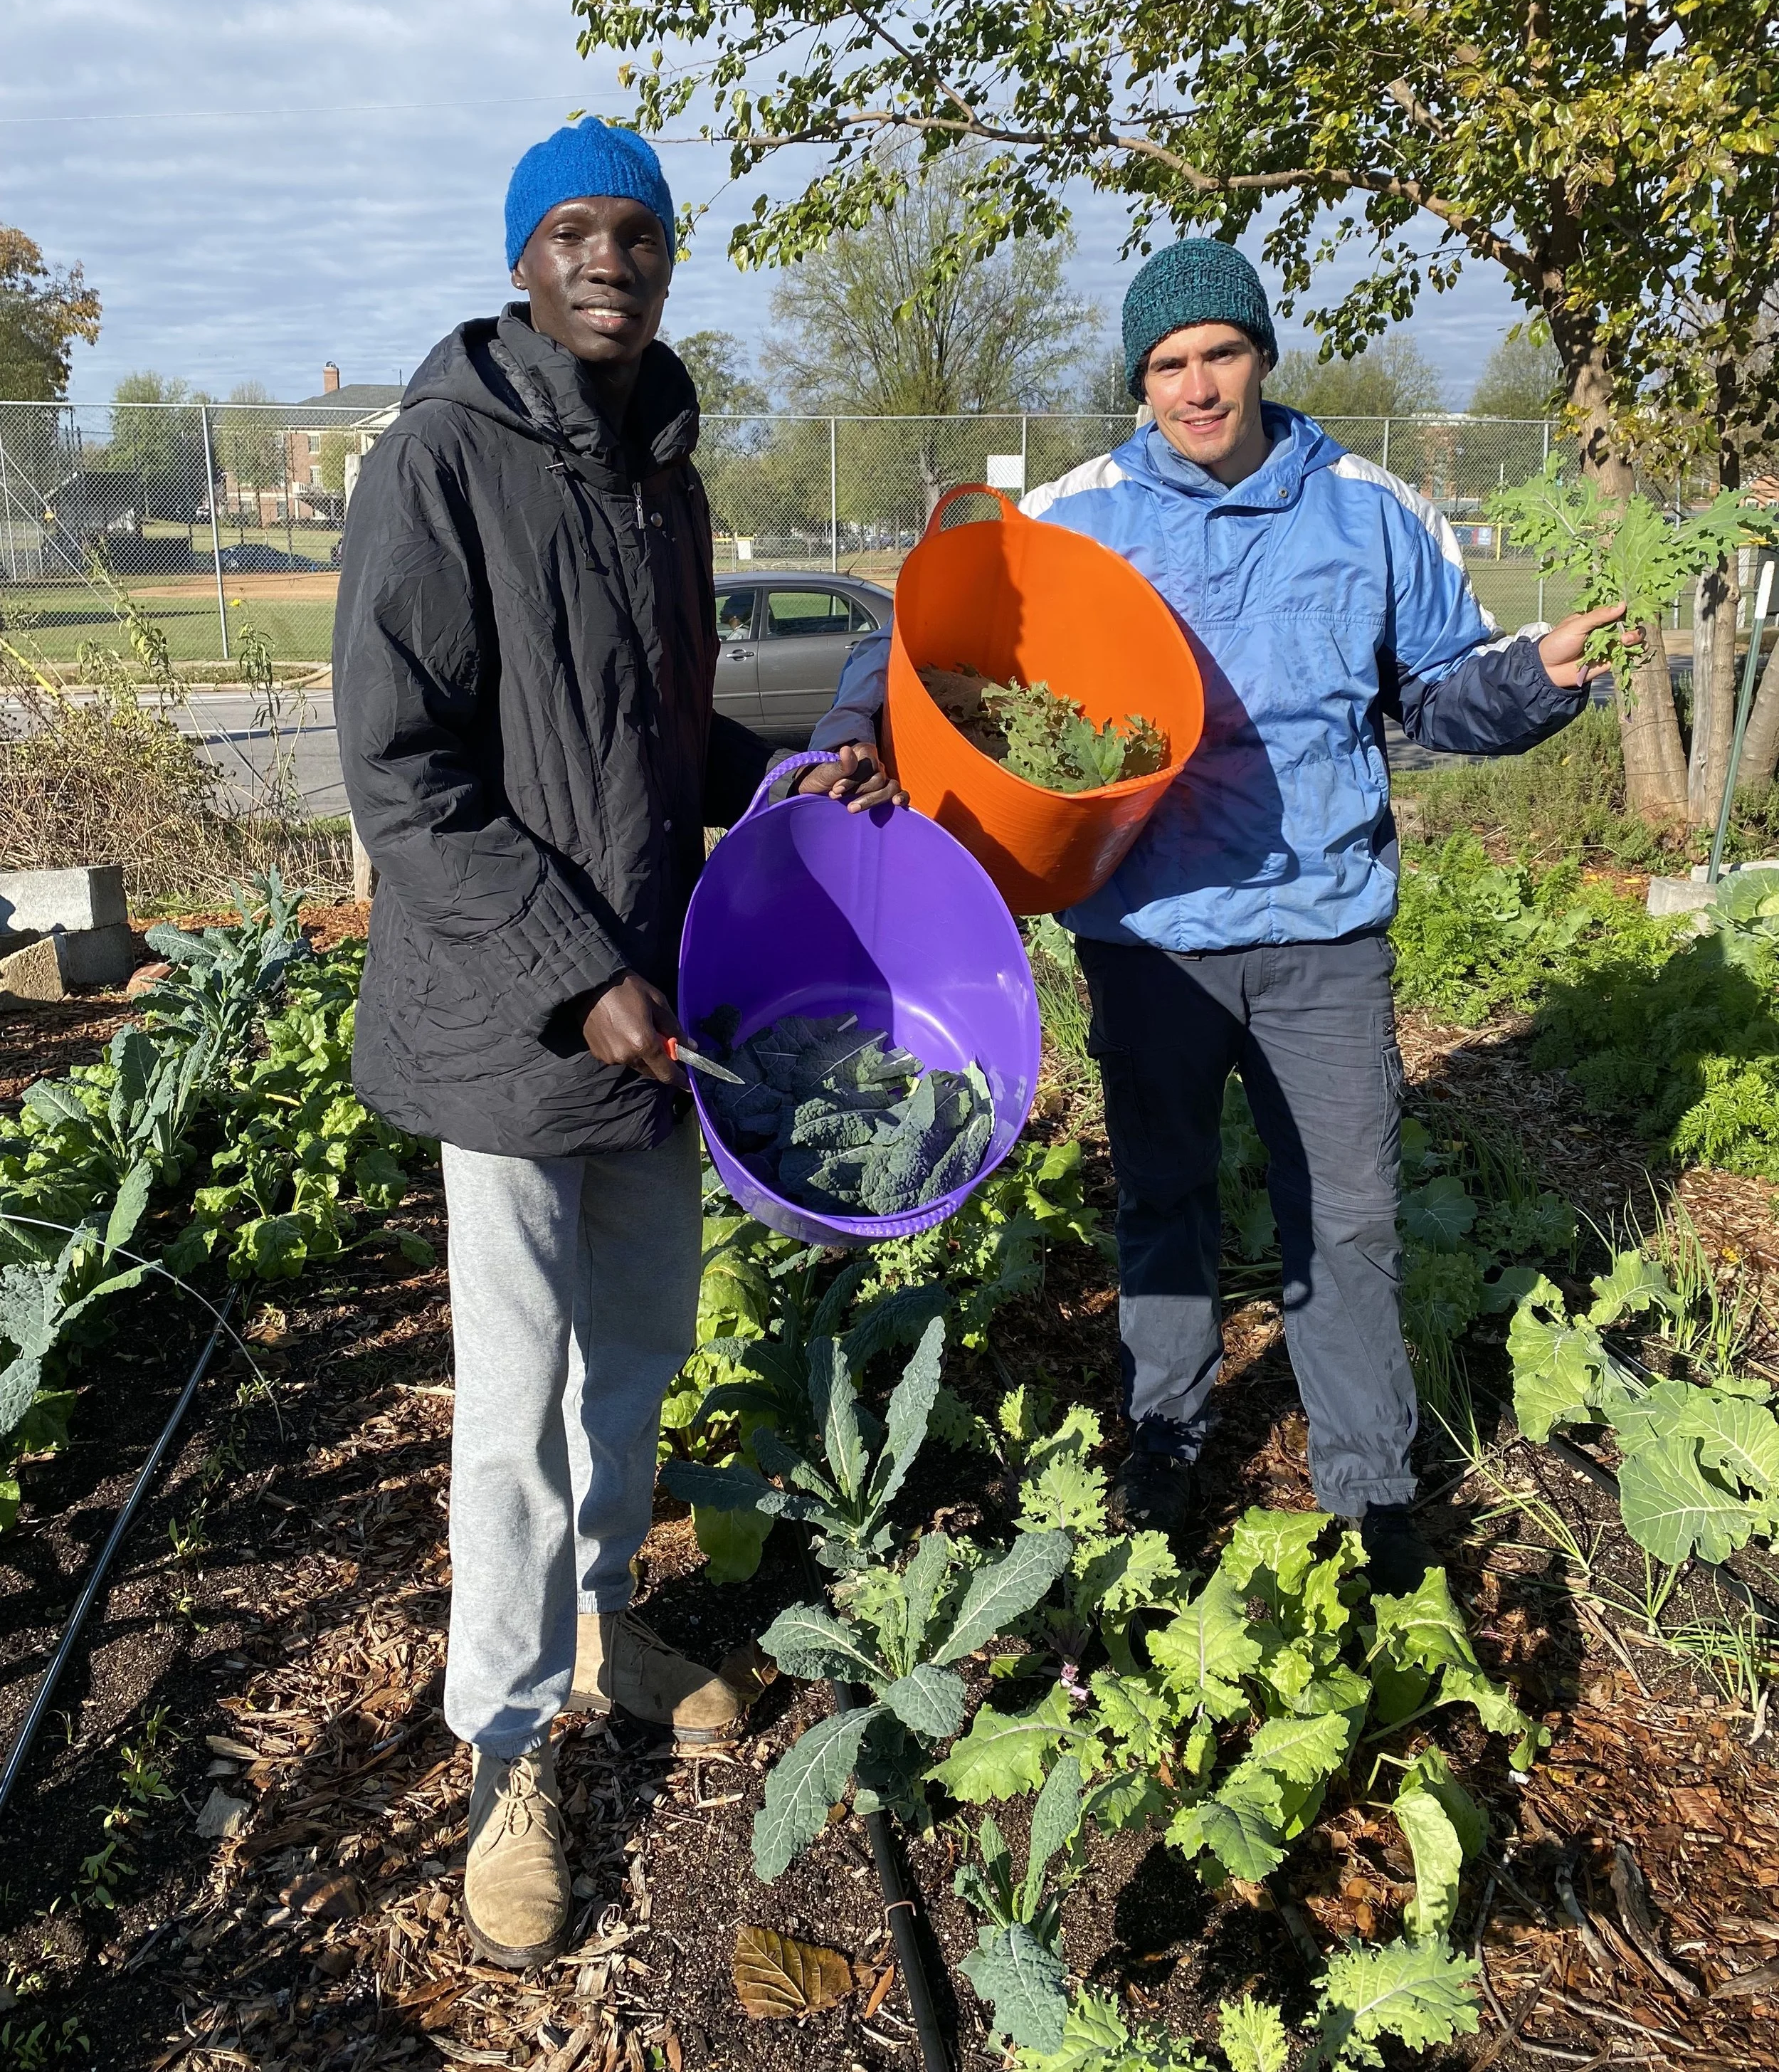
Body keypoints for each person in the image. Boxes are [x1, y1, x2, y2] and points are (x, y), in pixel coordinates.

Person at [804, 239, 1628, 1588]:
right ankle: (1167, 1439)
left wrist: (1533, 677)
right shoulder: (1074, 515)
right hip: (1149, 937)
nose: (1197, 387)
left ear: (1261, 356)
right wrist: (861, 728)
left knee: (1349, 1214)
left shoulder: (1365, 507)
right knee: (1164, 1198)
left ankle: (1371, 1488)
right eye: (1169, 365)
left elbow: (1436, 694)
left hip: (1320, 931)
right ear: (1141, 382)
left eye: (1221, 355)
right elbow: (919, 642)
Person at [333, 120, 893, 1972]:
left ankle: (596, 1626)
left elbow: (657, 742)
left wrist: (784, 779)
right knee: (507, 1412)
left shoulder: (665, 467)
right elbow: (402, 771)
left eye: (635, 233)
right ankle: (506, 1752)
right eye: (571, 231)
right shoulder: (439, 458)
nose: (606, 258)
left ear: (663, 261)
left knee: (641, 1352)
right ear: (521, 261)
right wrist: (575, 970)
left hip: (658, 1018)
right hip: (512, 1021)